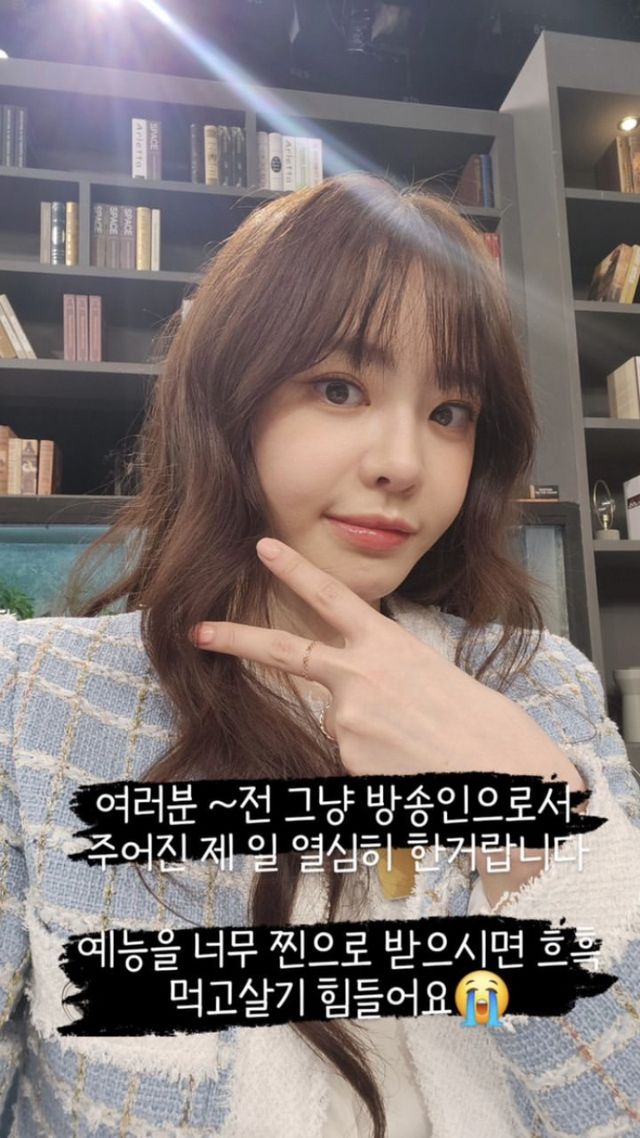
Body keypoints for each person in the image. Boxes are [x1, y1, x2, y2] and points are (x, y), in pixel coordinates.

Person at [1, 172, 639, 1138]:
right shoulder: (41, 694)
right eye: (339, 388)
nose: (404, 464)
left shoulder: (540, 685)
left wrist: (526, 815)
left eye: (451, 412)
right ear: (228, 402)